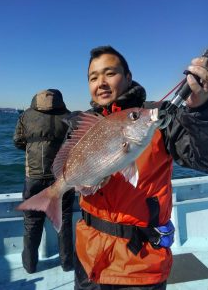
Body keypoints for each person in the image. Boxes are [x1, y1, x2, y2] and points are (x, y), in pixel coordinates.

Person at [71, 46, 208, 290]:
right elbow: (72, 172)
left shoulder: (156, 118)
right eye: (93, 77)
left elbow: (203, 160)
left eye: (110, 73)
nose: (101, 82)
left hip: (140, 266)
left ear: (128, 77)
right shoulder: (82, 124)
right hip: (87, 256)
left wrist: (200, 113)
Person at [13, 88, 75, 273]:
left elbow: (17, 140)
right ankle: (66, 264)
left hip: (34, 177)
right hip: (61, 178)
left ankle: (30, 266)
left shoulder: (26, 115)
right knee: (63, 221)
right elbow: (75, 142)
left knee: (32, 222)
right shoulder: (68, 116)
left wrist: (33, 148)